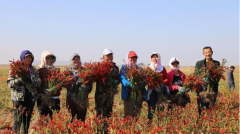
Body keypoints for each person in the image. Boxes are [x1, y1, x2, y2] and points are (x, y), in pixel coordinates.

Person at [7, 50, 41, 134]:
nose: (28, 59)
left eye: (30, 57)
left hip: (30, 98)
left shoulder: (33, 70)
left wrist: (31, 82)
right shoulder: (15, 68)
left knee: (27, 120)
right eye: (26, 57)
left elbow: (39, 82)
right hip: (18, 99)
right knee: (18, 120)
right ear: (22, 58)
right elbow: (9, 83)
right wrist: (18, 81)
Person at [95, 48, 120, 133]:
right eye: (107, 55)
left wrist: (115, 82)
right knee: (100, 114)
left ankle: (106, 131)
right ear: (103, 57)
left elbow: (118, 79)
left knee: (108, 114)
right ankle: (100, 131)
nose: (109, 57)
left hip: (110, 95)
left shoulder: (115, 67)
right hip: (100, 95)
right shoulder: (99, 67)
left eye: (111, 55)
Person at [120, 51, 147, 118]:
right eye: (131, 58)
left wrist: (140, 84)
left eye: (135, 58)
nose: (133, 59)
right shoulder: (124, 68)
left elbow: (144, 79)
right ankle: (127, 128)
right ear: (128, 58)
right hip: (128, 94)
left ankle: (134, 127)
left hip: (138, 95)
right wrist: (130, 84)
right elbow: (122, 79)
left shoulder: (140, 69)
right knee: (127, 114)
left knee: (136, 113)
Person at [66, 53, 92, 122]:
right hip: (71, 100)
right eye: (74, 59)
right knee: (71, 120)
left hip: (82, 100)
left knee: (81, 120)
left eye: (78, 59)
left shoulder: (85, 71)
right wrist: (73, 85)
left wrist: (87, 87)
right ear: (71, 61)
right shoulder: (68, 72)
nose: (76, 60)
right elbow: (65, 85)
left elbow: (90, 84)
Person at [195, 46, 220, 115]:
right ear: (203, 54)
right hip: (201, 89)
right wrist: (203, 78)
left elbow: (218, 77)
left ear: (212, 53)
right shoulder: (199, 63)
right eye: (206, 52)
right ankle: (201, 121)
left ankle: (210, 122)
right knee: (201, 107)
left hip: (212, 90)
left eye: (209, 52)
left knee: (211, 107)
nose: (208, 54)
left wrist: (211, 79)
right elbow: (196, 75)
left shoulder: (216, 63)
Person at [37, 51, 61, 118]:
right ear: (43, 59)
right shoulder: (39, 70)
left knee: (54, 119)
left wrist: (56, 89)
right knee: (43, 119)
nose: (50, 60)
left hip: (54, 98)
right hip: (43, 98)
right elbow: (36, 84)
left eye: (51, 59)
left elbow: (60, 82)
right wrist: (44, 90)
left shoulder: (56, 70)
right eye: (48, 58)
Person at [147, 52, 169, 122]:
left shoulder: (162, 68)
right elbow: (146, 79)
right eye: (153, 57)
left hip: (160, 90)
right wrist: (153, 83)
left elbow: (167, 78)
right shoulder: (149, 68)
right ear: (151, 59)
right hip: (152, 91)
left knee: (160, 107)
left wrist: (162, 82)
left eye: (156, 57)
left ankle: (160, 123)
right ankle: (150, 123)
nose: (154, 58)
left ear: (159, 58)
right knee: (151, 107)